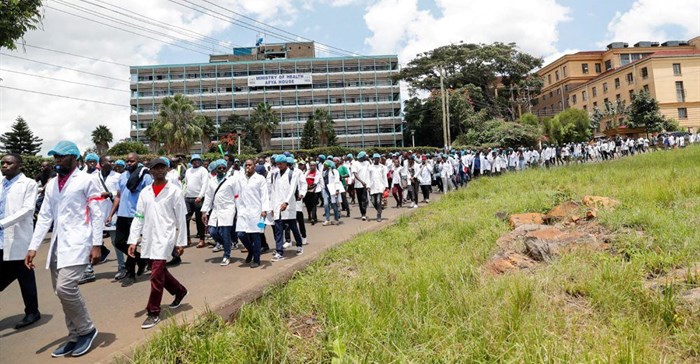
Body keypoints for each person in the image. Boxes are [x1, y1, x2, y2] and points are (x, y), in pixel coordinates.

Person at [25, 141, 103, 357]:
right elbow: (45, 217)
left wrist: (97, 244)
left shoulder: (87, 180)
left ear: (74, 158)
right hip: (59, 245)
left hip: (79, 242)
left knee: (65, 288)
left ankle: (87, 330)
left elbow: (96, 213)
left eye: (61, 156)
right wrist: (33, 246)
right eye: (55, 156)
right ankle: (74, 336)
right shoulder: (51, 184)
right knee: (61, 293)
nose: (57, 159)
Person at [127, 158, 188, 329]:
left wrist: (181, 242)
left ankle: (153, 311)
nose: (159, 170)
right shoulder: (145, 192)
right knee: (159, 272)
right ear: (151, 171)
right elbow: (138, 217)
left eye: (162, 167)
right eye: (156, 168)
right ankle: (180, 290)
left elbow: (181, 218)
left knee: (155, 275)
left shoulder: (174, 191)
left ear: (168, 170)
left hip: (165, 237)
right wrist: (133, 240)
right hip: (148, 237)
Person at [0, 154, 41, 329]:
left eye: (9, 163)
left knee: (25, 278)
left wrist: (2, 224)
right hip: (1, 239)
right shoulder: (0, 182)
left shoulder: (29, 184)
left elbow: (27, 210)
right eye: (3, 162)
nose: (4, 165)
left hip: (18, 238)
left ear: (19, 165)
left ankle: (32, 312)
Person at [108, 152, 152, 287]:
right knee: (118, 242)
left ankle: (131, 274)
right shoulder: (122, 176)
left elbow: (150, 196)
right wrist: (111, 214)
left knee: (131, 243)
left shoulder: (145, 176)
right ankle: (141, 259)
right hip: (122, 215)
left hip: (135, 216)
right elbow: (118, 196)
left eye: (131, 161)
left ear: (137, 161)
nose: (128, 163)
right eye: (127, 161)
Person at [201, 159, 237, 266]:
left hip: (228, 209)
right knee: (212, 231)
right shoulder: (212, 181)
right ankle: (227, 244)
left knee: (226, 233)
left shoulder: (231, 180)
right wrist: (204, 211)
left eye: (223, 168)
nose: (221, 170)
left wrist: (238, 210)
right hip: (216, 209)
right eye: (219, 168)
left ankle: (226, 255)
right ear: (215, 169)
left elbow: (237, 195)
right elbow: (208, 197)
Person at [235, 159, 270, 268]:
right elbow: (237, 194)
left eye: (250, 165)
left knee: (256, 235)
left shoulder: (260, 179)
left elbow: (264, 195)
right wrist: (237, 208)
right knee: (240, 233)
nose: (248, 167)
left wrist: (264, 210)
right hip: (243, 210)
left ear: (254, 166)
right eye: (246, 165)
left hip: (256, 211)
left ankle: (257, 259)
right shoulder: (241, 178)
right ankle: (251, 250)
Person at [268, 155, 303, 261]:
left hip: (289, 206)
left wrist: (286, 202)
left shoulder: (292, 174)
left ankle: (299, 245)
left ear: (286, 163)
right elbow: (273, 192)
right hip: (278, 206)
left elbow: (292, 189)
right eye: (277, 164)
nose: (279, 166)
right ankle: (279, 251)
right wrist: (272, 207)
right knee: (278, 230)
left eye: (281, 164)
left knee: (293, 227)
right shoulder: (275, 175)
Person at [184, 154, 208, 248]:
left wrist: (200, 196)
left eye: (198, 160)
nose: (196, 162)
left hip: (198, 198)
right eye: (194, 160)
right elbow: (186, 183)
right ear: (191, 162)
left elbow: (205, 184)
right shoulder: (188, 171)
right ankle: (187, 238)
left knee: (199, 220)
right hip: (188, 197)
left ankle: (202, 239)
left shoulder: (203, 170)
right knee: (185, 218)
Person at [320, 160, 342, 226]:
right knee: (326, 204)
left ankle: (336, 219)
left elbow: (337, 180)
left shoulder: (334, 171)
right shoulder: (324, 172)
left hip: (332, 190)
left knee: (334, 205)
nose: (324, 166)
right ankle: (327, 220)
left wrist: (337, 190)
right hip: (326, 190)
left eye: (325, 165)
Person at [367, 153, 388, 222]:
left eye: (378, 158)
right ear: (373, 159)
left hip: (380, 186)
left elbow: (384, 177)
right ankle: (380, 209)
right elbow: (368, 178)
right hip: (372, 186)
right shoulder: (370, 167)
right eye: (375, 158)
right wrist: (368, 186)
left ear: (379, 159)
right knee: (373, 201)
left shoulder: (382, 167)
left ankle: (379, 215)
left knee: (378, 201)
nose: (377, 159)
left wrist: (386, 186)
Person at [352, 151, 370, 221]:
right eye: (365, 156)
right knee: (360, 200)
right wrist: (361, 181)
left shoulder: (367, 163)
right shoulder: (355, 164)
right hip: (358, 185)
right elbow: (355, 174)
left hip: (366, 184)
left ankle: (364, 213)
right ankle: (363, 213)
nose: (366, 157)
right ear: (362, 157)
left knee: (364, 199)